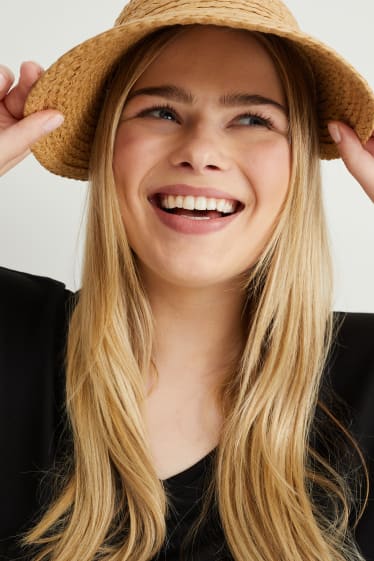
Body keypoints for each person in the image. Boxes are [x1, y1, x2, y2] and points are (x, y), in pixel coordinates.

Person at [0, 0, 373, 560]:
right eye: (161, 113)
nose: (200, 152)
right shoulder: (11, 333)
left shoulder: (367, 373)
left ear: (299, 162)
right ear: (108, 148)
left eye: (253, 119)